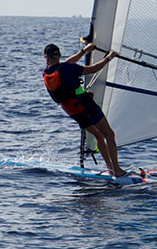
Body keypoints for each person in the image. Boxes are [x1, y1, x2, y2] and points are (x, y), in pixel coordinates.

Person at [42, 42, 126, 177]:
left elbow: (66, 65)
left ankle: (110, 167)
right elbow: (93, 69)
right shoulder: (68, 68)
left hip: (72, 110)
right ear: (59, 55)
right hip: (85, 106)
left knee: (98, 135)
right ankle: (116, 169)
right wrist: (109, 57)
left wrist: (84, 51)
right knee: (109, 135)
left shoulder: (47, 72)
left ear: (46, 58)